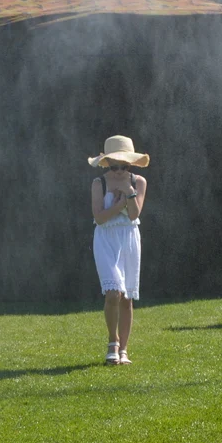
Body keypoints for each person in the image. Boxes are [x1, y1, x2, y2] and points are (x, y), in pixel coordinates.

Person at [89, 135, 149, 366]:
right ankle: (112, 342)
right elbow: (100, 218)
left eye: (124, 166)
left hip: (129, 237)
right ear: (107, 163)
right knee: (113, 292)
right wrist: (119, 204)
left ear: (130, 164)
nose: (118, 171)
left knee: (126, 298)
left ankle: (124, 350)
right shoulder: (99, 184)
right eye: (114, 166)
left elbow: (135, 215)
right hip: (105, 239)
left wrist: (129, 192)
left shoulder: (139, 181)